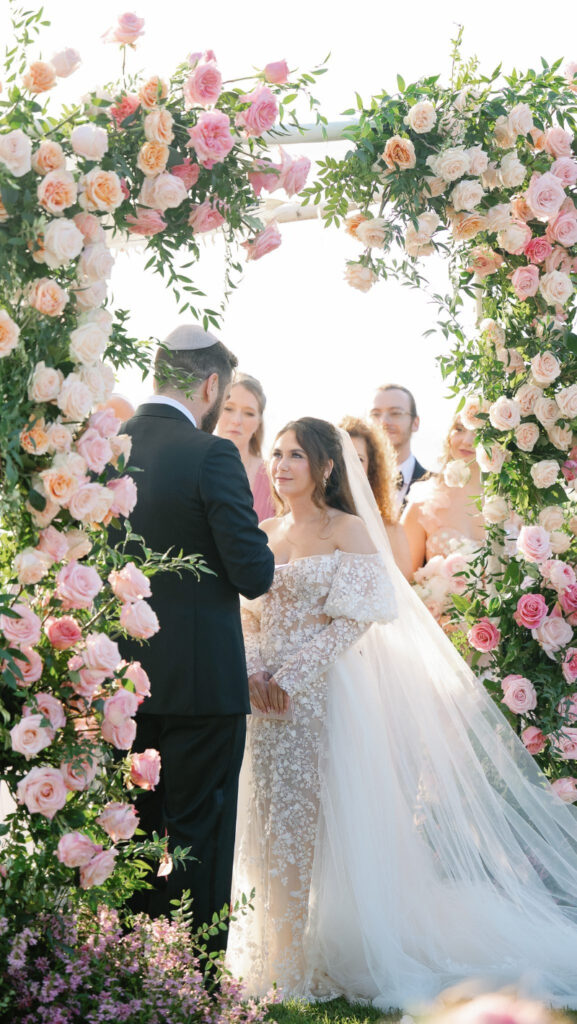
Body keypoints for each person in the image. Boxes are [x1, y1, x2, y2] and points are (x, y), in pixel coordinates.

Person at [227, 417, 577, 1010]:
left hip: (324, 696)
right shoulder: (263, 532)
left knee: (327, 826)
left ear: (326, 467)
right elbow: (247, 617)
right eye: (278, 454)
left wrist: (294, 673)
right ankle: (281, 955)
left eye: (296, 456)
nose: (281, 465)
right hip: (265, 706)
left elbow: (361, 614)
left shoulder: (350, 530)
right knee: (272, 823)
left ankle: (334, 948)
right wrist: (258, 671)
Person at [109, 325, 274, 953]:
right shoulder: (212, 455)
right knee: (197, 841)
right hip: (202, 690)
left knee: (123, 837)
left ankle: (122, 974)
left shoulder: (107, 449)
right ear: (211, 385)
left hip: (118, 687)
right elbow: (253, 574)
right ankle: (191, 987)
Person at [402, 412, 485, 574]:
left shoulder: (514, 504)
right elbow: (403, 582)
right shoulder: (424, 502)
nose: (466, 441)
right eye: (459, 429)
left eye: (479, 432)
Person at [340, 415, 411, 579]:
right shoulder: (313, 523)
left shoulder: (391, 530)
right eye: (340, 457)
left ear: (371, 469)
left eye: (358, 459)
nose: (348, 467)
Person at [216, 374, 275, 522]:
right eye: (228, 408)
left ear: (259, 421)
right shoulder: (191, 465)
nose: (237, 421)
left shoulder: (274, 476)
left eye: (249, 413)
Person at [369, 383, 428, 505]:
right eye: (375, 414)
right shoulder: (350, 482)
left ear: (415, 423)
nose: (384, 421)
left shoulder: (435, 485)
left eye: (395, 413)